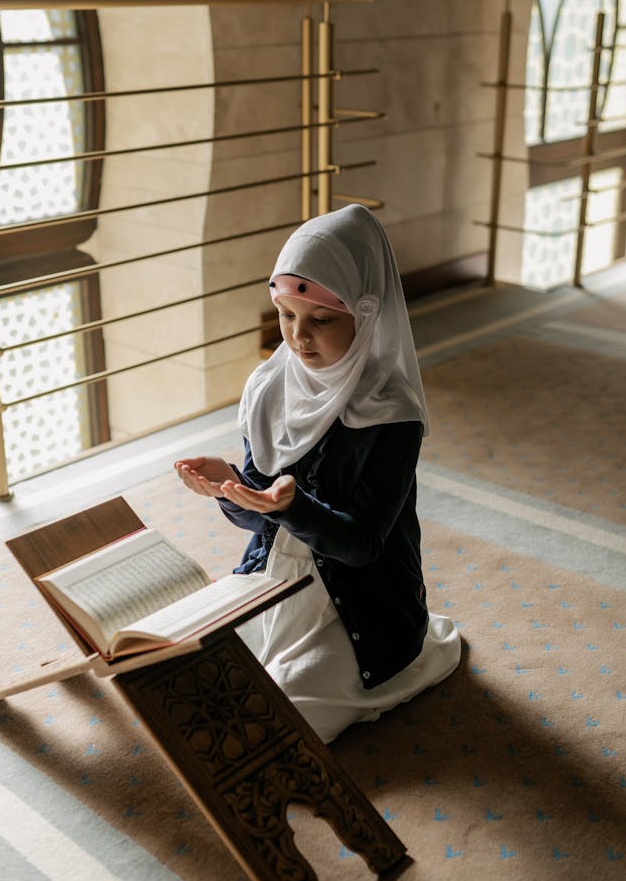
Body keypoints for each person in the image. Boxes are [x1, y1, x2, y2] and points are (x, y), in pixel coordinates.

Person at [175, 204, 460, 743]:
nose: (298, 338)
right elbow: (263, 522)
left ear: (366, 314)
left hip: (359, 606)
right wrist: (231, 486)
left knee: (277, 718)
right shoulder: (271, 389)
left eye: (321, 320)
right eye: (286, 316)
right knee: (194, 669)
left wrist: (291, 508)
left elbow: (362, 545)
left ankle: (410, 653)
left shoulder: (390, 414)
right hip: (275, 581)